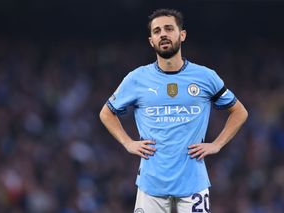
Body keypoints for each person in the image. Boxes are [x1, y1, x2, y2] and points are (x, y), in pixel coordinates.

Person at [99, 8, 248, 213]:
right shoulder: (137, 78)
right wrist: (127, 143)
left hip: (193, 185)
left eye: (169, 28)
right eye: (157, 31)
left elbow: (239, 111)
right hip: (151, 186)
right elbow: (107, 113)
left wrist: (217, 144)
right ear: (151, 40)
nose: (163, 34)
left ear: (182, 35)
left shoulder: (205, 77)